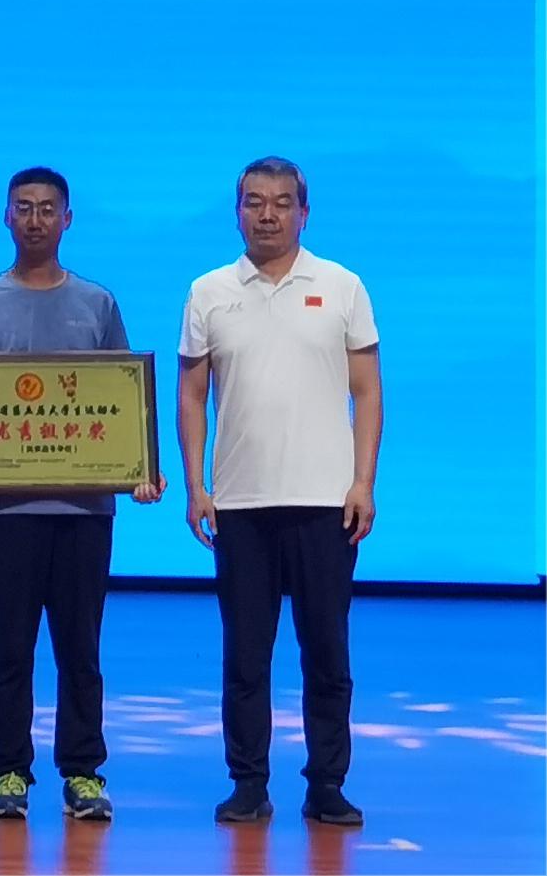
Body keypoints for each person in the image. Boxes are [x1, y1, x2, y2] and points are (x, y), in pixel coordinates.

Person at [0, 167, 159, 821]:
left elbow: (122, 400)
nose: (34, 219)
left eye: (46, 208)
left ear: (67, 219)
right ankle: (8, 769)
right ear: (6, 217)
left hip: (86, 510)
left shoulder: (97, 303)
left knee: (79, 648)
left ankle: (83, 770)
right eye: (23, 207)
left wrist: (139, 469)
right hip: (6, 510)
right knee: (9, 645)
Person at [178, 156, 379, 829]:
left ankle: (327, 784)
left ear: (303, 212)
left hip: (326, 503)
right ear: (237, 211)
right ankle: (247, 783)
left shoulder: (342, 285)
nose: (267, 214)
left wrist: (362, 481)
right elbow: (191, 393)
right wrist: (196, 486)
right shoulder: (208, 291)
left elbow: (366, 390)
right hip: (240, 503)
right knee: (245, 656)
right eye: (254, 202)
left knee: (326, 654)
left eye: (281, 202)